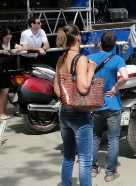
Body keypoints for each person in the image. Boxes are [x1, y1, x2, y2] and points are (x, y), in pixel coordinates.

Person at [54, 24, 96, 186]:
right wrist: (91, 70)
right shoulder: (81, 59)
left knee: (68, 156)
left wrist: (66, 100)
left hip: (64, 112)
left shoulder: (60, 59)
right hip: (80, 114)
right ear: (78, 37)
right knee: (85, 159)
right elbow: (83, 87)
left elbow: (56, 88)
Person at [88, 31, 128, 182]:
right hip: (113, 105)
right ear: (114, 45)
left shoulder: (89, 58)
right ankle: (110, 173)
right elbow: (124, 77)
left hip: (95, 103)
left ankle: (92, 169)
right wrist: (115, 88)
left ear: (100, 44)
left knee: (95, 137)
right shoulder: (117, 59)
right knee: (113, 139)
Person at [0, 29, 22, 120]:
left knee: (16, 90)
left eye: (10, 38)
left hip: (11, 69)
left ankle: (17, 109)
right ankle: (1, 113)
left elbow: (22, 48)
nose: (8, 40)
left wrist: (16, 49)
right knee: (4, 93)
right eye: (7, 38)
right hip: (2, 71)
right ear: (2, 37)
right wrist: (0, 51)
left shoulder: (12, 43)